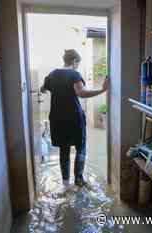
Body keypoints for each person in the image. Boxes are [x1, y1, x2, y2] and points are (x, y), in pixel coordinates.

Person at [41, 49, 109, 188]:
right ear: (74, 61)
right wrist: (102, 90)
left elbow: (43, 88)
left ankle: (66, 183)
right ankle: (78, 179)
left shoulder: (52, 74)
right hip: (73, 118)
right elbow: (81, 93)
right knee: (81, 147)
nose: (78, 66)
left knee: (63, 149)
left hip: (57, 118)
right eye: (78, 63)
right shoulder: (74, 74)